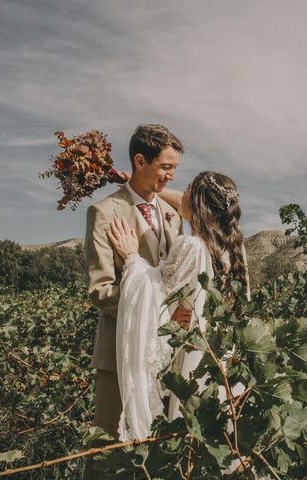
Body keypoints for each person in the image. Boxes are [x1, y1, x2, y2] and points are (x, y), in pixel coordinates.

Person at [105, 171, 249, 441]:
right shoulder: (234, 246)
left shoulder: (192, 246)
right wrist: (141, 184)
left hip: (194, 354)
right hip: (222, 354)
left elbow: (155, 293)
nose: (179, 194)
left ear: (197, 204)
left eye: (186, 190)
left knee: (188, 429)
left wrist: (131, 256)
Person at [83, 124, 185, 479]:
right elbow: (101, 290)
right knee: (109, 451)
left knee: (155, 447)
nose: (171, 175)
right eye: (165, 167)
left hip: (166, 351)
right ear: (140, 161)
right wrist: (155, 312)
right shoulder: (104, 212)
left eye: (174, 167)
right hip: (119, 351)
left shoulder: (171, 214)